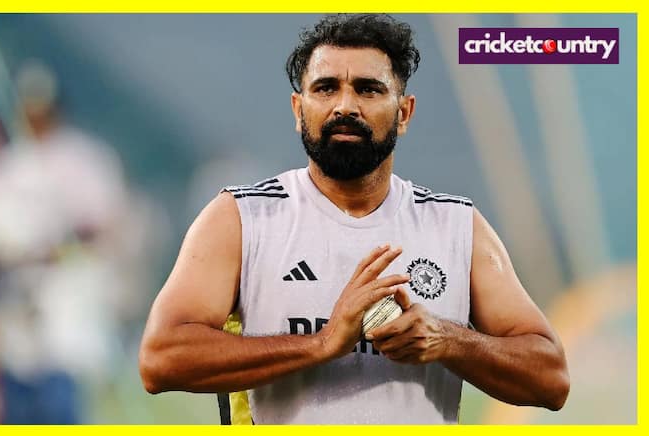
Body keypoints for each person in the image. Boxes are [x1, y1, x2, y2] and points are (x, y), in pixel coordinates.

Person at [138, 14, 569, 424]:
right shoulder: (242, 218)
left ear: (404, 113)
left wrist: (447, 340)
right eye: (326, 88)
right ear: (298, 110)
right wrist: (322, 344)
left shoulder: (456, 226)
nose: (345, 106)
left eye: (368, 89)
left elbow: (551, 377)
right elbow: (162, 359)